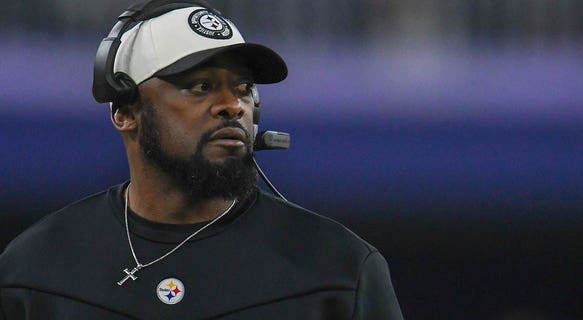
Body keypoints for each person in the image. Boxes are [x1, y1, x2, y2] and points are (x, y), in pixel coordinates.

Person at [0, 0, 404, 319]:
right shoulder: (35, 268)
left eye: (243, 88)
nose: (232, 106)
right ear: (125, 112)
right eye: (201, 86)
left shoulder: (338, 270)